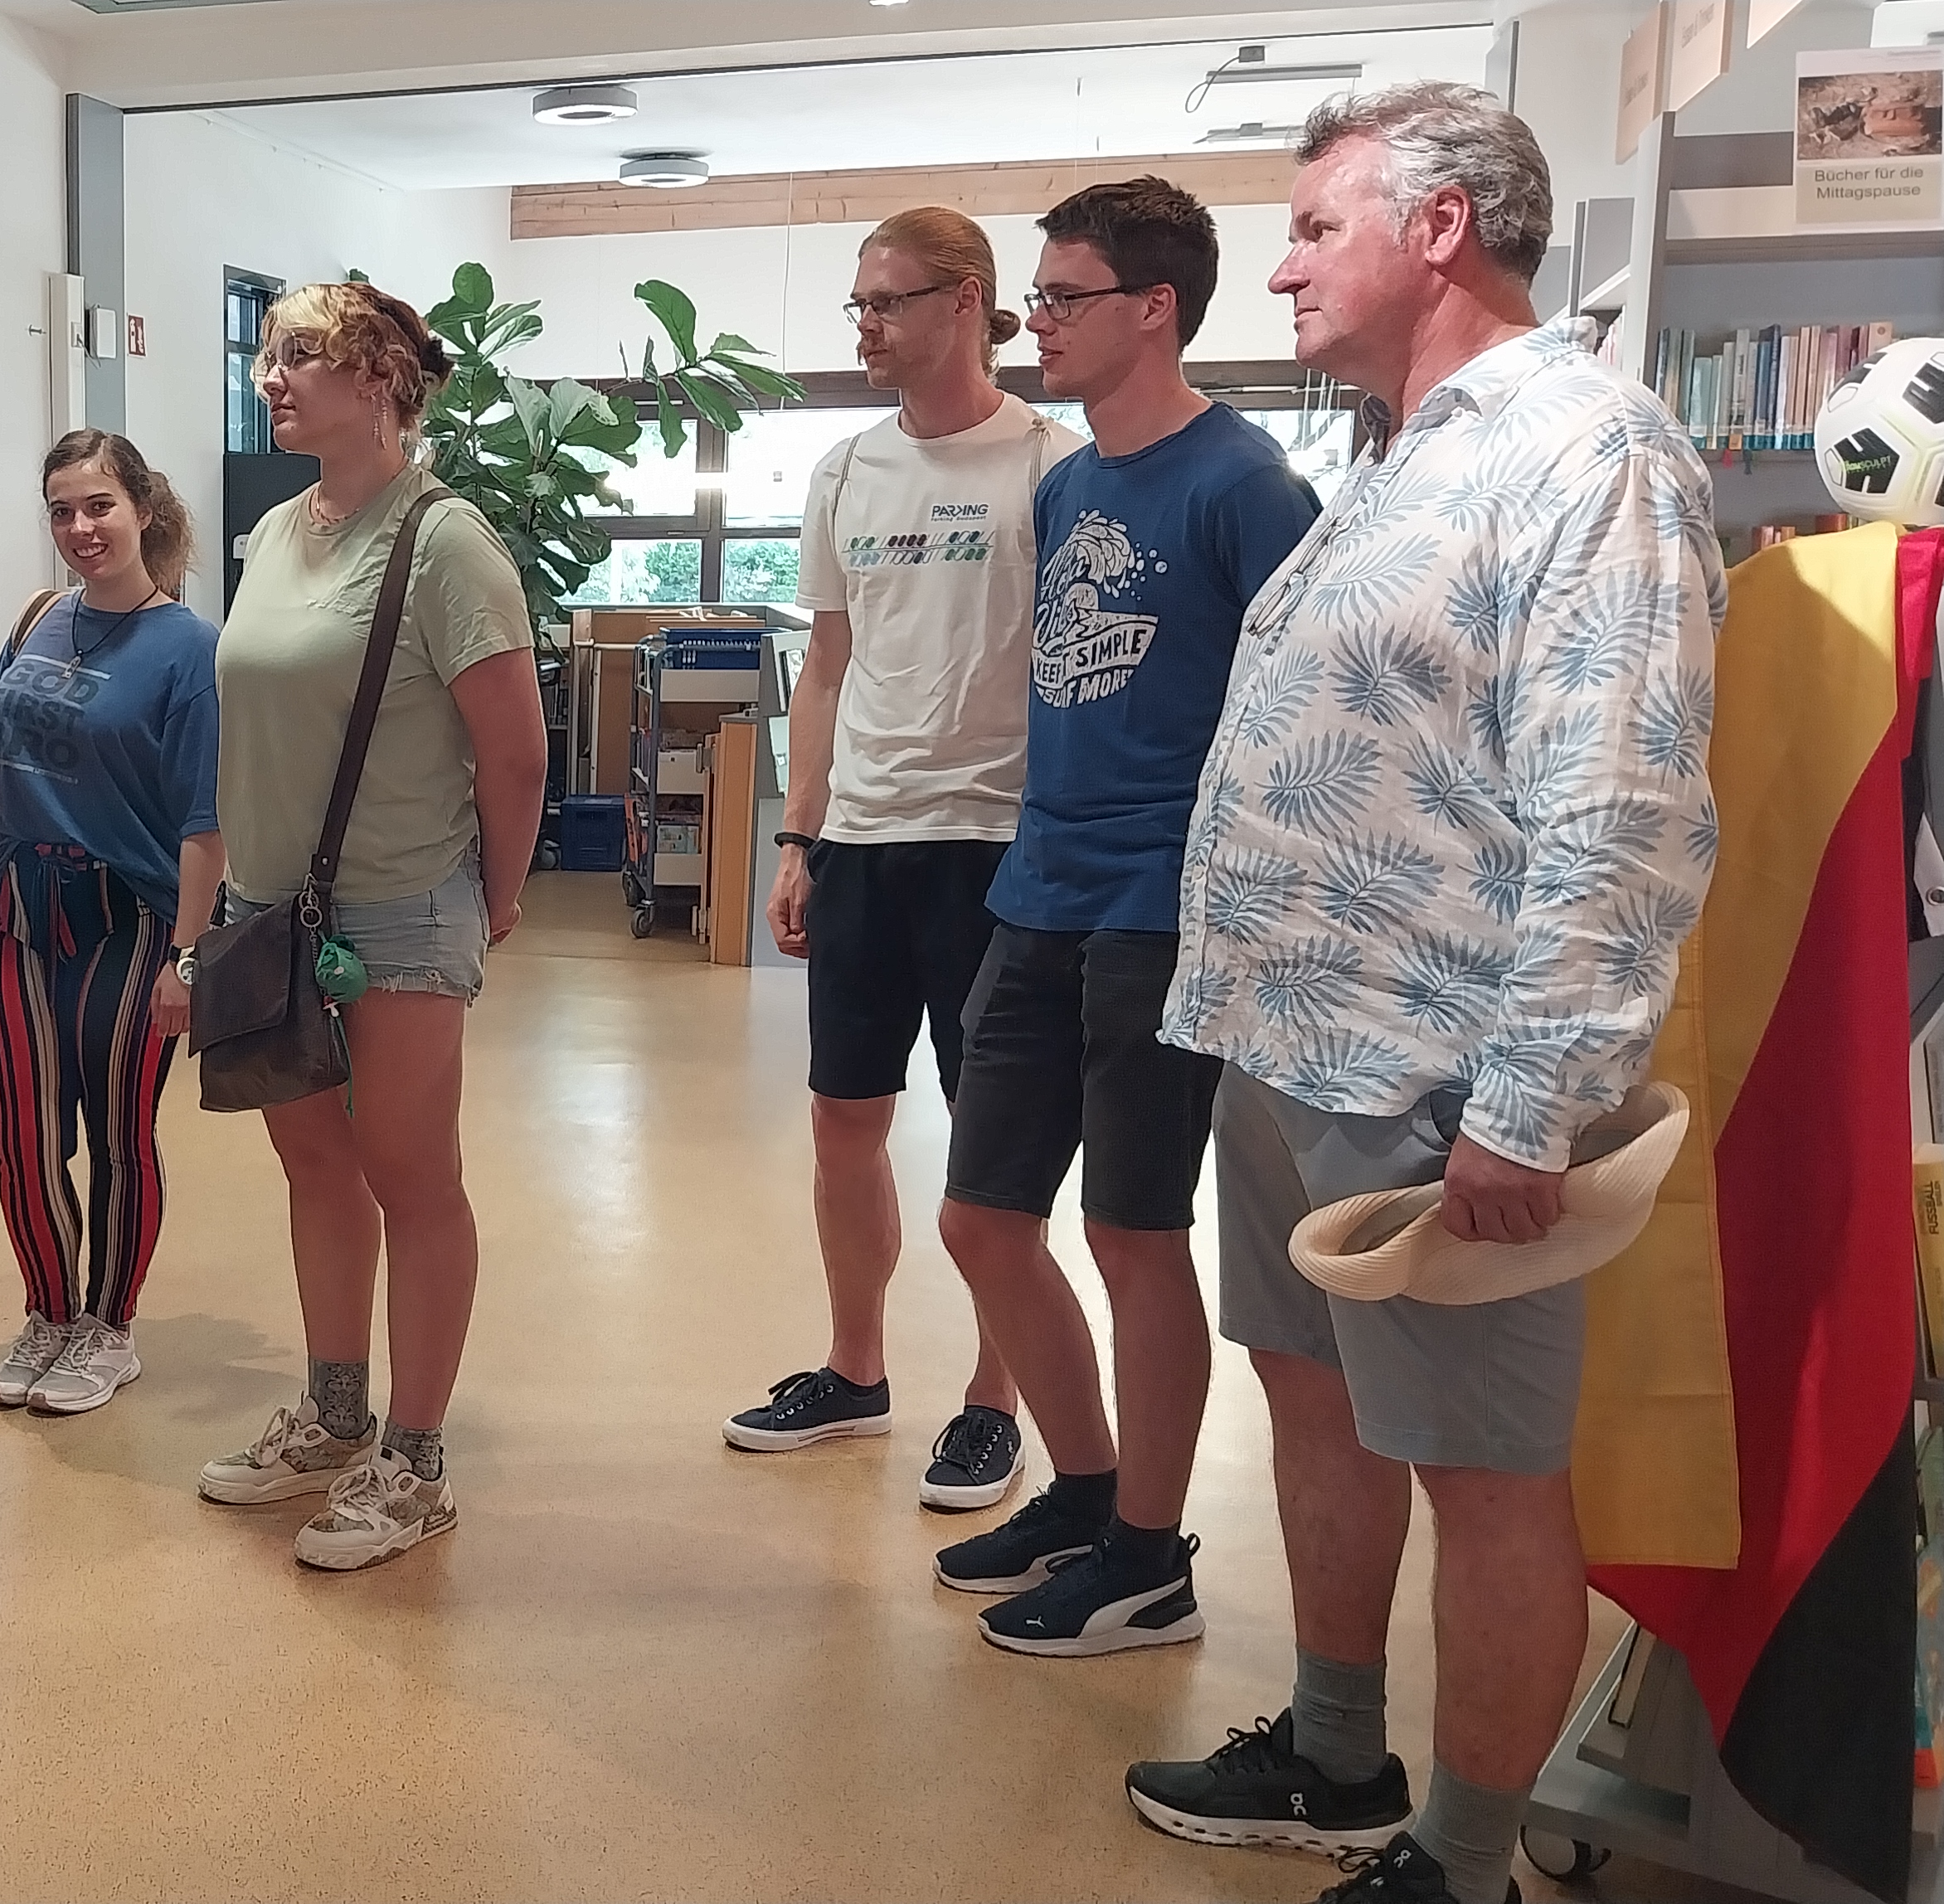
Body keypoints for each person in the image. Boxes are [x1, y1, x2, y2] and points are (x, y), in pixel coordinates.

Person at [1122, 85, 1720, 1904]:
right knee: (1312, 1399)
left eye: (1316, 226)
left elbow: (1620, 804)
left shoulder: (1587, 447)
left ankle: (1460, 1864)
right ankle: (1333, 1750)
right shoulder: (1400, 450)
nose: (1282, 267)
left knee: (1482, 1472)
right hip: (1289, 1038)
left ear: (1442, 226)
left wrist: (1531, 1107)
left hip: (1441, 1072)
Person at [929, 179, 1320, 1656]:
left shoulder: (1247, 486)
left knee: (1134, 1233)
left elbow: (1300, 714)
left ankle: (1150, 1558)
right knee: (982, 1219)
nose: (1033, 321)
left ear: (1154, 309)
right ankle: (1087, 1493)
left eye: (1061, 296)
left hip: (1166, 909)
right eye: (1036, 296)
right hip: (1038, 891)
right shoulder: (1071, 483)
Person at [731, 208, 1085, 1513]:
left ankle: (994, 1400)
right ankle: (856, 1369)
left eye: (887, 302)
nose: (867, 326)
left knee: (993, 1147)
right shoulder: (846, 472)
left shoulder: (1051, 464)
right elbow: (825, 667)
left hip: (997, 847)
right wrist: (798, 835)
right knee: (844, 1120)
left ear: (966, 301)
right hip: (864, 843)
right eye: (860, 304)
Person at [192, 281, 545, 1570]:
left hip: (400, 906)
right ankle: (335, 1418)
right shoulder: (274, 532)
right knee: (316, 1166)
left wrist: (494, 899)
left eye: (301, 355)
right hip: (270, 912)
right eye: (267, 356)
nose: (270, 377)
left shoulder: (447, 544)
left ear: (381, 378)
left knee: (409, 1172)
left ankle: (417, 1459)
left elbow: (516, 754)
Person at [0, 430, 221, 1416]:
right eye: (62, 510)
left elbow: (206, 822)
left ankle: (110, 1326)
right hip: (20, 912)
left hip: (129, 922)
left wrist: (187, 957)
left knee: (116, 1134)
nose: (80, 527)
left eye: (99, 505)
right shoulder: (37, 619)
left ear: (142, 508)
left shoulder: (189, 649)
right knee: (21, 1134)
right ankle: (49, 1313)